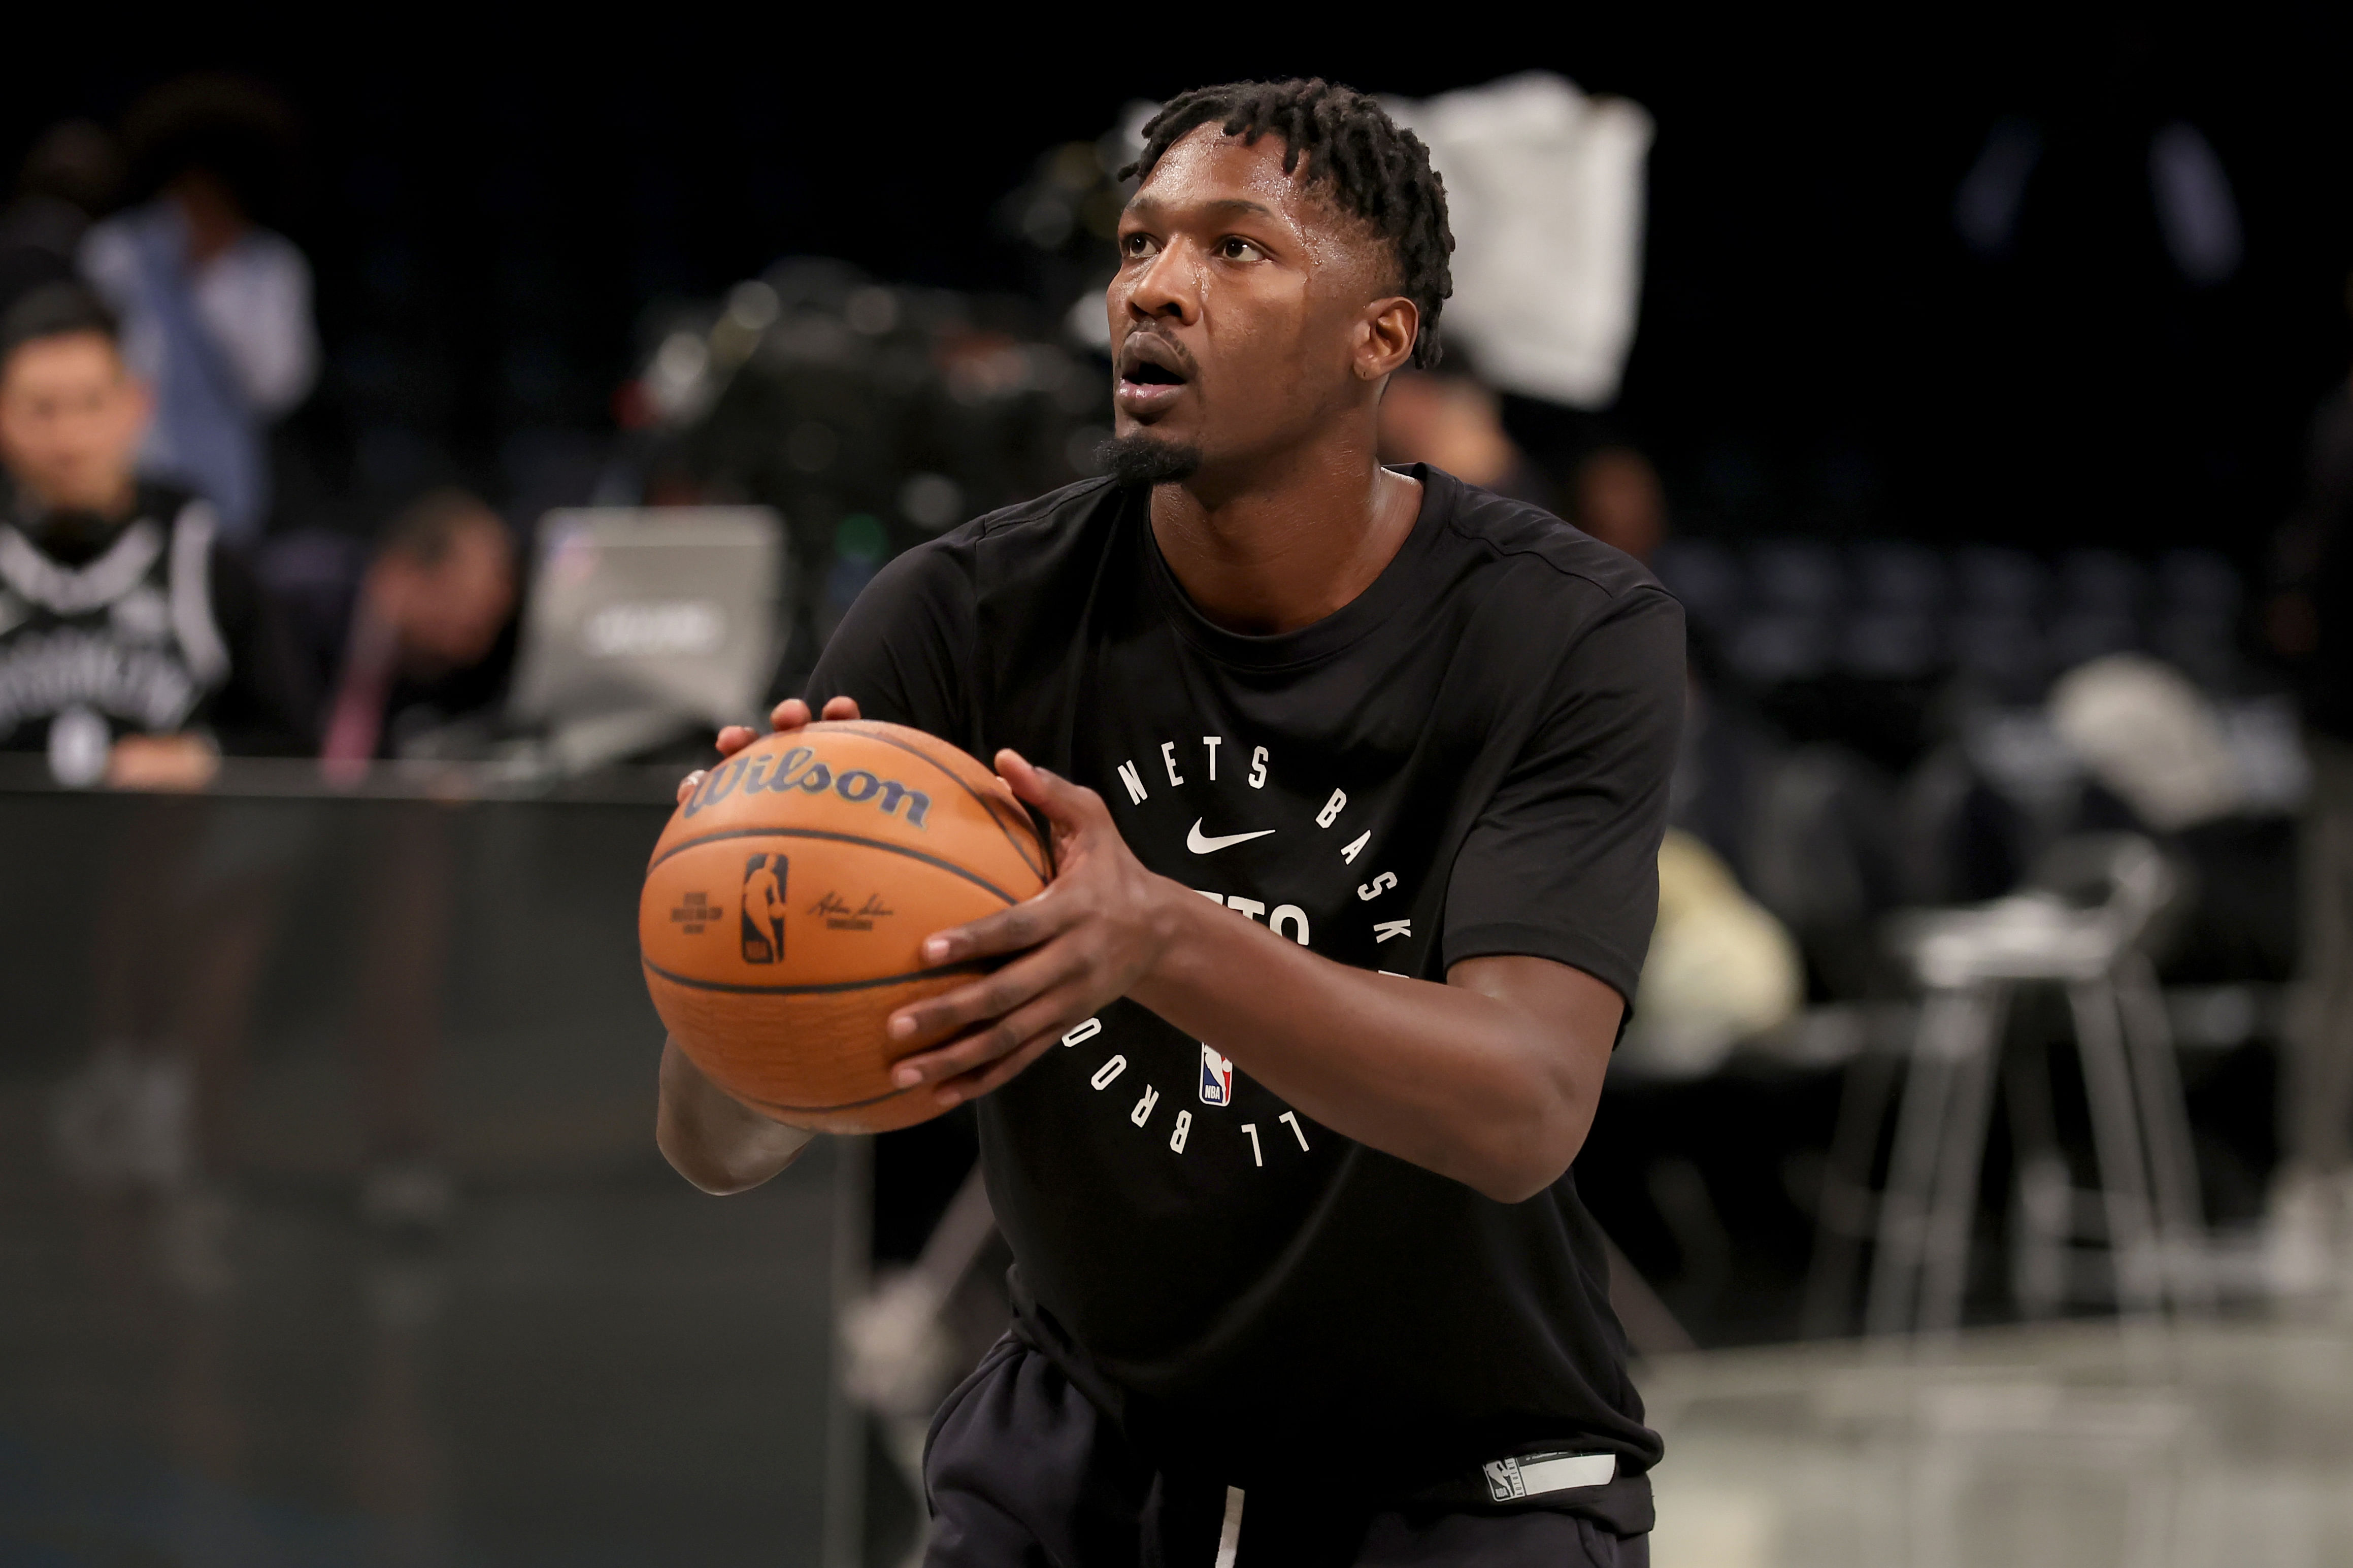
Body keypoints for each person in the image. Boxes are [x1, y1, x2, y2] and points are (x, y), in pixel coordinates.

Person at [662, 80, 1682, 1566]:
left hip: (1463, 1471)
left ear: (1379, 340)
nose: (1153, 283)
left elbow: (1524, 1107)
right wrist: (750, 944)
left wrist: (1156, 935)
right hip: (1098, 1447)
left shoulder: (1560, 629)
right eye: (1139, 244)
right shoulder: (961, 618)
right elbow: (716, 1145)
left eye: (1234, 248)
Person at [0, 280, 311, 1225]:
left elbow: (297, 733)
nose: (66, 434)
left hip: (170, 905)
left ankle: (169, 1132)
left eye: (89, 405)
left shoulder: (198, 547)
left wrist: (202, 757)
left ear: (134, 406)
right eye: (38, 409)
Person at [79, 76, 317, 544]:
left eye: (218, 192)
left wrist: (214, 280)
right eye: (192, 189)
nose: (202, 204)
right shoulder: (116, 253)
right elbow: (95, 367)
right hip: (127, 485)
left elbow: (276, 387)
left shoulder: (271, 268)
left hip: (227, 495)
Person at [2264, 276, 2353, 1296]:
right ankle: (2313, 1177)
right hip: (2345, 739)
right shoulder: (2341, 431)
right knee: (2336, 970)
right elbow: (2309, 603)